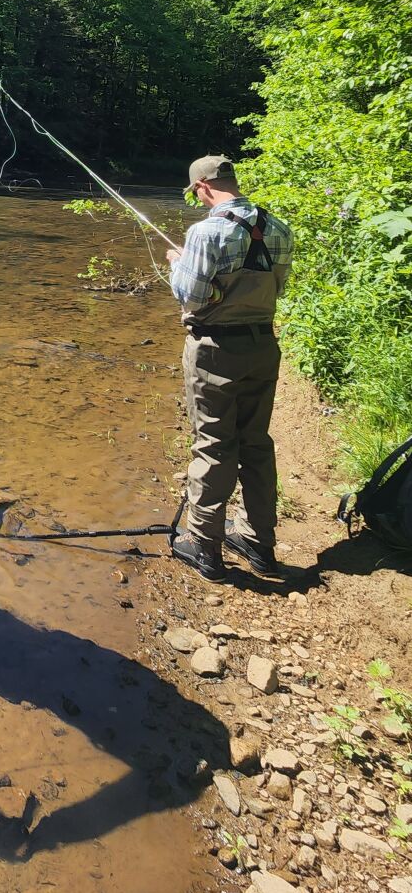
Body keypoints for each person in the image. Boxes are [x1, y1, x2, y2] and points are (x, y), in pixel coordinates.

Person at [166, 155, 293, 581]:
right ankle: (260, 543)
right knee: (255, 442)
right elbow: (275, 284)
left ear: (202, 186)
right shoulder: (278, 227)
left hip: (216, 351)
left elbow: (191, 296)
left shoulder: (205, 231)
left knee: (214, 444)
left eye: (196, 194)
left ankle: (204, 547)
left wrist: (178, 264)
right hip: (262, 346)